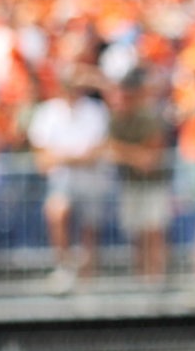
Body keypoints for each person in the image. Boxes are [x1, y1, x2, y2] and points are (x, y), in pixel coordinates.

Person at [28, 69, 111, 289]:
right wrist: (75, 157)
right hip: (62, 181)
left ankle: (88, 275)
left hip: (92, 180)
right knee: (57, 210)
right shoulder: (47, 112)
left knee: (90, 226)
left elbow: (95, 154)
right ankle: (64, 267)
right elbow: (42, 160)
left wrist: (63, 157)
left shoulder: (96, 111)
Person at [107, 69, 173, 282]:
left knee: (154, 231)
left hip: (154, 185)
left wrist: (122, 151)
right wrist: (132, 154)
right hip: (131, 184)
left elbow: (150, 159)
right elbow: (108, 150)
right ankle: (142, 278)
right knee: (136, 233)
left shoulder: (148, 116)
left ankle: (156, 278)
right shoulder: (116, 120)